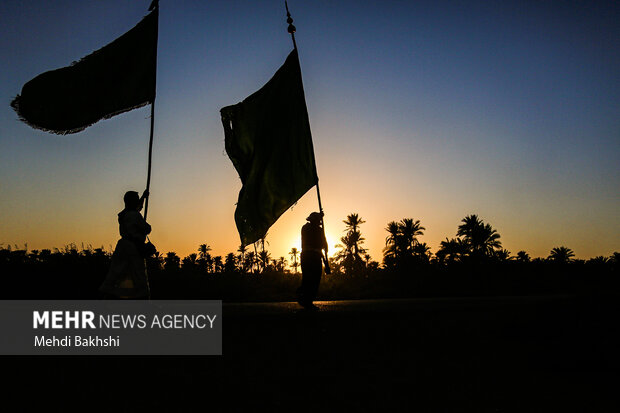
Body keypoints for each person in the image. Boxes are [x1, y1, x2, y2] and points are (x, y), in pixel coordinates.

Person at [100, 190, 151, 299]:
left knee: (116, 271)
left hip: (122, 246)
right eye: (137, 199)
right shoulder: (135, 215)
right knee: (138, 273)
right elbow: (147, 228)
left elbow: (136, 207)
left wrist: (143, 197)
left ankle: (106, 292)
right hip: (133, 247)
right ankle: (142, 297)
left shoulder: (124, 214)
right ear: (133, 201)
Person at [297, 212, 328, 310]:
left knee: (313, 279)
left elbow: (322, 247)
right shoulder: (308, 229)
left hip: (312, 256)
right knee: (310, 279)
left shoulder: (315, 230)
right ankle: (306, 299)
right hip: (311, 256)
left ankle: (307, 300)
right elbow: (322, 245)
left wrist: (326, 263)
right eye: (317, 220)